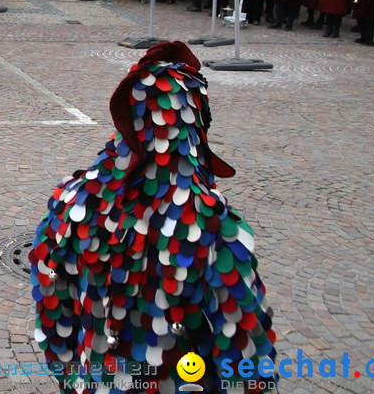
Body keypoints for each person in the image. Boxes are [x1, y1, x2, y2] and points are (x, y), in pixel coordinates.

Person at [31, 42, 276, 394]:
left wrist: (74, 379)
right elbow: (246, 358)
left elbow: (52, 311)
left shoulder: (72, 203)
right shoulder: (215, 227)